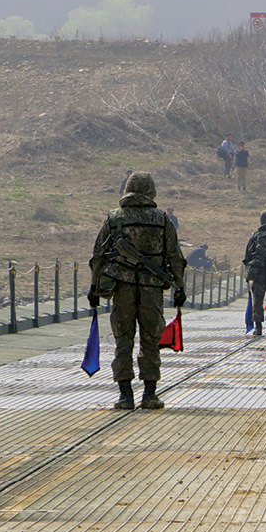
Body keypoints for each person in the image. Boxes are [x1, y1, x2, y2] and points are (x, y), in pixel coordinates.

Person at [88, 171, 186, 411]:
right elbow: (175, 256)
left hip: (122, 289)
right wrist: (180, 287)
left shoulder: (114, 219)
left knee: (123, 339)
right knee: (151, 339)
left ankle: (125, 395)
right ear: (151, 191)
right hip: (152, 289)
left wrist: (94, 287)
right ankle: (150, 394)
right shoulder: (162, 219)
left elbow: (98, 256)